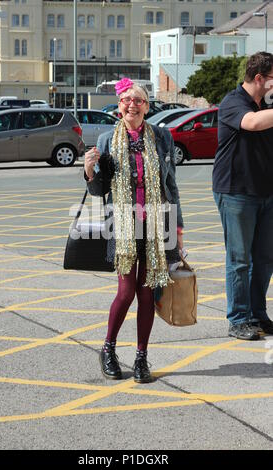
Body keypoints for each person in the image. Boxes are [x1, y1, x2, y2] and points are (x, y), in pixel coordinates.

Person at [84, 77, 184, 382]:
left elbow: (171, 186)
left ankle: (141, 357)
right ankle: (109, 349)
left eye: (138, 100)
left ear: (147, 106)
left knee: (146, 294)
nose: (133, 105)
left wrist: (178, 230)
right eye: (127, 100)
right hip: (124, 224)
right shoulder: (106, 141)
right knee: (126, 292)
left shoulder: (162, 137)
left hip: (157, 224)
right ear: (119, 107)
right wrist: (89, 169)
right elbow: (100, 190)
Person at [213, 51, 273, 341]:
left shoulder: (267, 106)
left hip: (266, 192)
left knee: (264, 258)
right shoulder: (233, 102)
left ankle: (257, 314)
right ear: (259, 78)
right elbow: (251, 123)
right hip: (236, 192)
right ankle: (238, 318)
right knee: (239, 260)